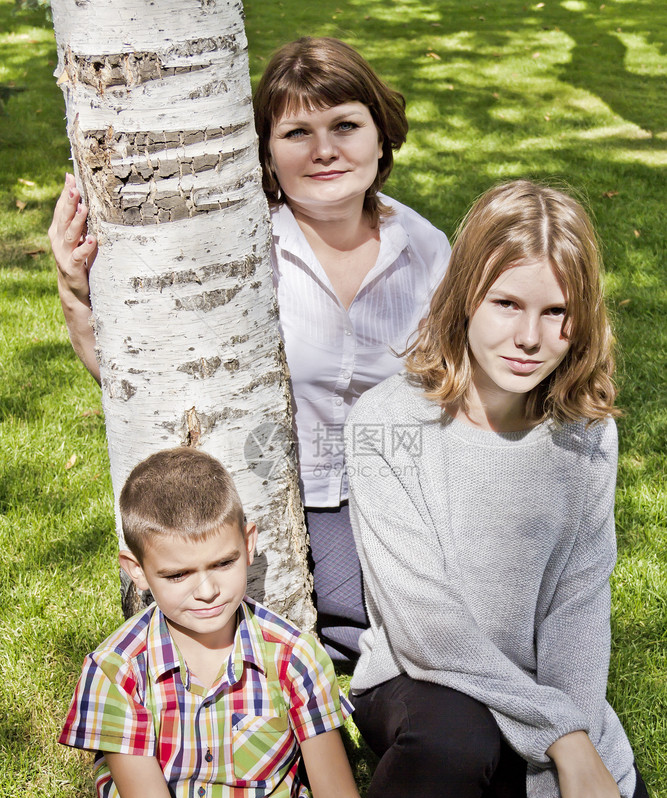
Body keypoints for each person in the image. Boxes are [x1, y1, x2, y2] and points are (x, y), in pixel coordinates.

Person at [48, 37, 451, 662]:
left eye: (345, 125)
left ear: (381, 136)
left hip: (402, 492)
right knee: (375, 619)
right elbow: (144, 379)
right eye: (297, 133)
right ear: (266, 150)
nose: (324, 151)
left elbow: (460, 391)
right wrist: (76, 291)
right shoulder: (240, 247)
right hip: (281, 497)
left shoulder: (426, 248)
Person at [343, 181, 660, 798]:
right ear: (463, 300)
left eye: (555, 313)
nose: (529, 336)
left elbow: (577, 600)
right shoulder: (388, 422)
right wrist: (565, 740)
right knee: (456, 740)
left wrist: (563, 768)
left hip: (531, 691)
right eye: (506, 305)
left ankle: (497, 788)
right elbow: (425, 624)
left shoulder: (584, 434)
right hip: (418, 680)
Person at [58, 446, 389, 798]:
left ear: (249, 543)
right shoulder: (117, 672)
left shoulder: (293, 656)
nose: (207, 589)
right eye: (177, 575)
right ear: (137, 571)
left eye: (223, 562)